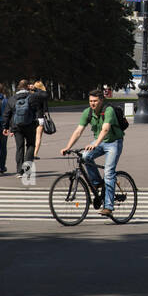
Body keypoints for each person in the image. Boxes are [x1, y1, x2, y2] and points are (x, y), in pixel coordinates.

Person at [62, 89, 125, 217]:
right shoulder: (88, 112)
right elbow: (78, 131)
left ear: (101, 100)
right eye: (90, 101)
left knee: (108, 172)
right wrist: (67, 147)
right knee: (85, 156)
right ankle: (97, 182)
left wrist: (95, 144)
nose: (92, 103)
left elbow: (105, 128)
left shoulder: (108, 110)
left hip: (114, 142)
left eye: (95, 101)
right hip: (100, 141)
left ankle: (108, 206)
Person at [9, 78, 40, 179]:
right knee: (31, 145)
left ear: (18, 87)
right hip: (30, 125)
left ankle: (19, 171)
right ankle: (27, 170)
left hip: (17, 126)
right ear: (28, 86)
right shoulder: (32, 97)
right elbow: (38, 109)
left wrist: (7, 127)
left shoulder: (13, 98)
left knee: (19, 147)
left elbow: (7, 113)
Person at [29, 81, 50, 159]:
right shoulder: (43, 96)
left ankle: (29, 153)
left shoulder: (30, 95)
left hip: (31, 117)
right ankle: (35, 153)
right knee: (38, 137)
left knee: (30, 136)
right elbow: (45, 108)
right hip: (40, 117)